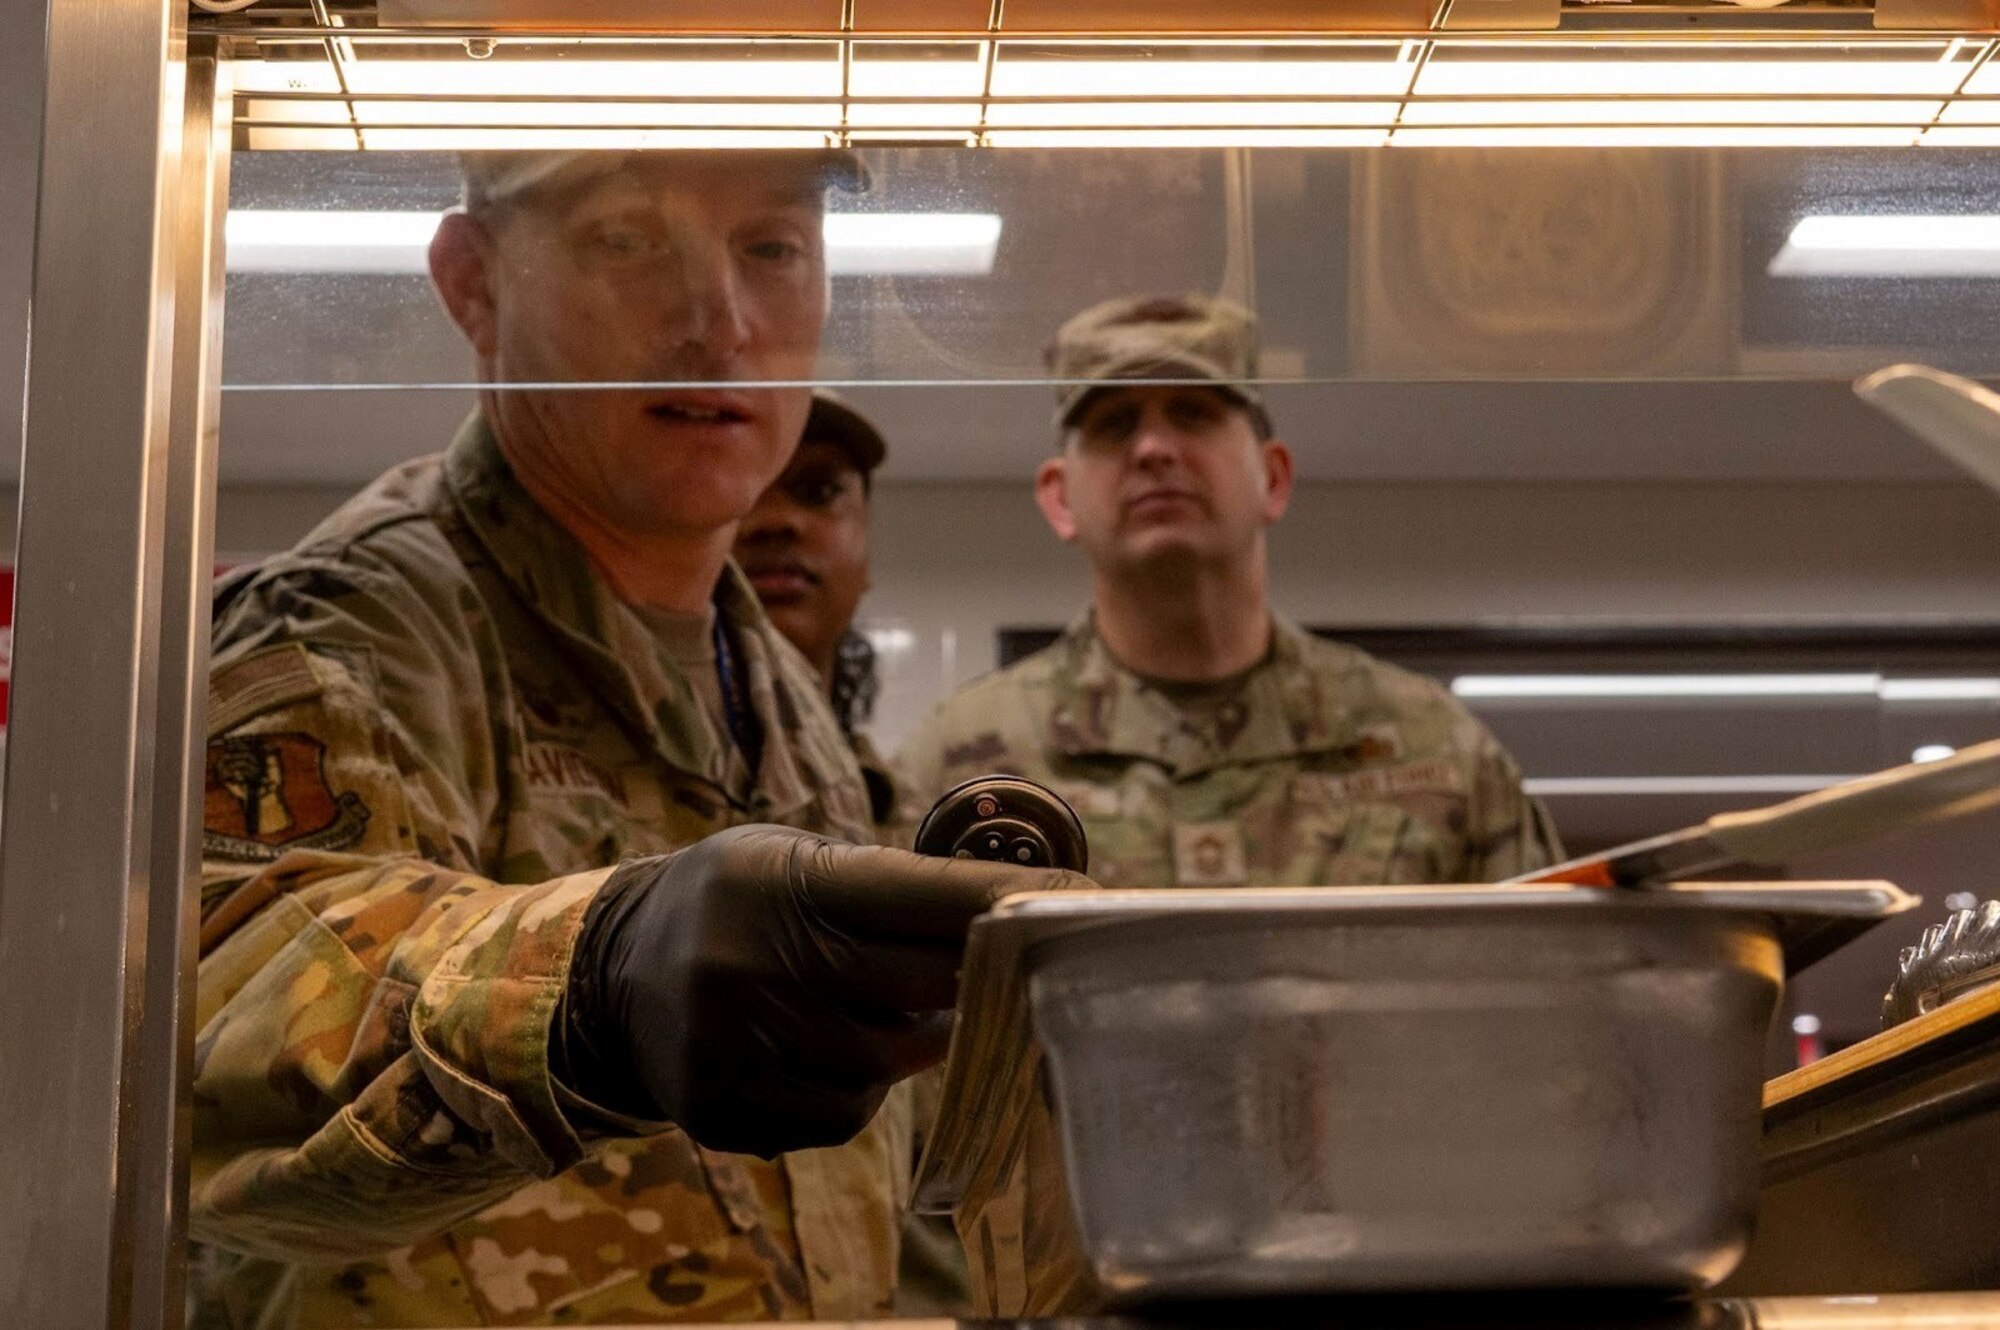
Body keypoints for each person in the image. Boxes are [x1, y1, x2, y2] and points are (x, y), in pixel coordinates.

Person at [188, 151, 1082, 1328]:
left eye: (770, 249)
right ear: (471, 284)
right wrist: (592, 979)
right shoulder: (364, 618)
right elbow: (216, 1022)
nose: (718, 321)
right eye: (627, 241)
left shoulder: (766, 676)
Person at [899, 293, 1563, 889]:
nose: (1155, 447)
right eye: (1114, 423)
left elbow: (1546, 998)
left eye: (1192, 413)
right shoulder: (959, 767)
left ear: (1273, 477)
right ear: (1059, 498)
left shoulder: (1436, 751)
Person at [732, 389, 897, 829]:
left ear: (867, 555)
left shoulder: (907, 809)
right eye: (741, 487)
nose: (774, 521)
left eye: (819, 490)